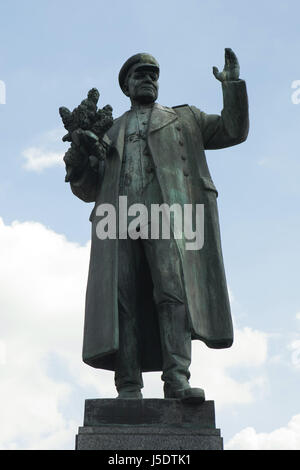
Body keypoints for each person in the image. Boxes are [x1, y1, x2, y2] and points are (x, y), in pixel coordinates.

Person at [68, 50, 249, 401]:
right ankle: (128, 387)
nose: (148, 79)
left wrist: (232, 87)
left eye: (153, 74)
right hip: (117, 221)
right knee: (124, 300)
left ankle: (177, 379)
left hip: (168, 218)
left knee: (172, 293)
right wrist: (78, 162)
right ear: (127, 86)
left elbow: (233, 129)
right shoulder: (108, 131)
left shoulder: (184, 120)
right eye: (140, 75)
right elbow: (86, 190)